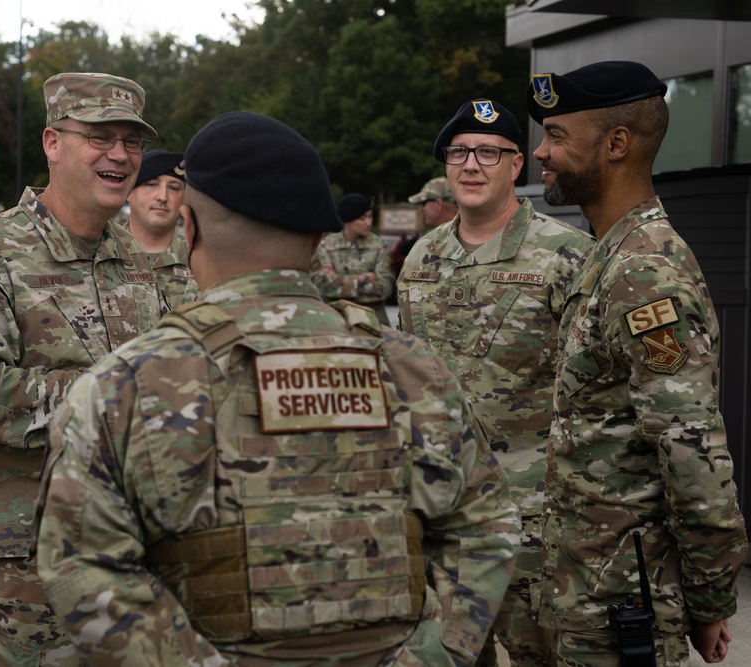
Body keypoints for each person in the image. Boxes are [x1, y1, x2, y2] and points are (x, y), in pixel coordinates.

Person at [33, 110, 521, 666]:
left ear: (188, 227)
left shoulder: (126, 385)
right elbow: (487, 529)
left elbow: (80, 565)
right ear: (317, 239)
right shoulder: (414, 369)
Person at [0, 72, 167, 665]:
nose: (120, 155)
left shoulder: (141, 259)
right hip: (29, 564)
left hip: (137, 550)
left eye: (131, 142)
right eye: (99, 137)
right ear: (52, 143)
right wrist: (117, 394)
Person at [526, 60, 748, 666]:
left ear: (617, 144)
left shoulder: (644, 272)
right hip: (592, 585)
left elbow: (692, 453)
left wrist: (708, 599)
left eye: (558, 136)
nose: (541, 152)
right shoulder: (611, 254)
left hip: (625, 600)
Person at [396, 99, 594, 667]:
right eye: (459, 153)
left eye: (489, 152)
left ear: (516, 166)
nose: (472, 165)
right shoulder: (422, 257)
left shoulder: (568, 256)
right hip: (443, 517)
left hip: (539, 522)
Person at [124, 148, 199, 308]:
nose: (163, 197)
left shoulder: (201, 262)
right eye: (151, 185)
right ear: (128, 193)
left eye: (174, 188)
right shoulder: (99, 255)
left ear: (184, 198)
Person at [310, 192, 394, 325]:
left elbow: (385, 289)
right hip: (336, 321)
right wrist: (363, 279)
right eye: (362, 218)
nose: (368, 223)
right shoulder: (327, 246)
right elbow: (322, 285)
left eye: (370, 217)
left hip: (373, 322)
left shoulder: (379, 246)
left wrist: (340, 283)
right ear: (348, 221)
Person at [392, 176, 458, 277]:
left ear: (438, 204)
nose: (421, 210)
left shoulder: (468, 238)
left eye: (423, 203)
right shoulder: (428, 240)